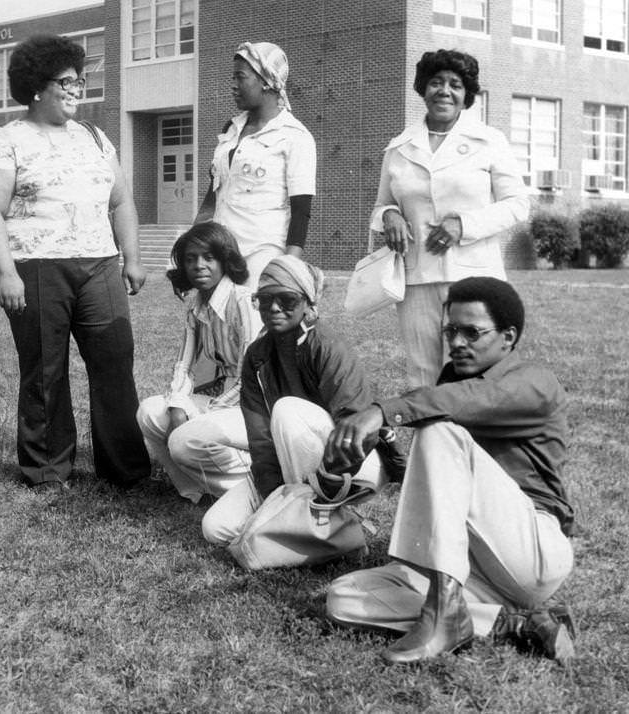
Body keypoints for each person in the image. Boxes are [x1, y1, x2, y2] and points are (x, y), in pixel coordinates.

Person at [325, 277, 576, 665]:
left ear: (508, 337)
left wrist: (381, 411)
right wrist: (382, 444)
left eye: (472, 332)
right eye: (451, 330)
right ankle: (511, 623)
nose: (457, 342)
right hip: (472, 564)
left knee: (438, 427)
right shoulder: (452, 381)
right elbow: (438, 484)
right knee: (343, 598)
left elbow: (466, 402)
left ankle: (444, 610)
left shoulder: (534, 382)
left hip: (532, 553)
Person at [0, 34, 150, 490]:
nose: (77, 89)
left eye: (80, 81)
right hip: (36, 267)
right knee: (45, 369)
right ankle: (47, 469)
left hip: (99, 266)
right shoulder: (4, 141)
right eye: (66, 81)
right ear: (36, 86)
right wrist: (6, 272)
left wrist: (132, 257)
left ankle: (125, 468)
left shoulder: (95, 137)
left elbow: (122, 201)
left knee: (114, 362)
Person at [201, 255, 392, 568]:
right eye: (264, 300)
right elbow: (261, 441)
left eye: (286, 299)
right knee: (216, 529)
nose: (274, 308)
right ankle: (323, 531)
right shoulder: (257, 356)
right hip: (288, 465)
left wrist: (323, 483)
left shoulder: (327, 346)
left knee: (287, 410)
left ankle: (328, 518)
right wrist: (274, 496)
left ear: (307, 301)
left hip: (350, 464)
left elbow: (355, 426)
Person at [371, 49, 529, 388]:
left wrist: (464, 225)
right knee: (422, 375)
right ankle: (428, 441)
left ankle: (473, 441)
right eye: (436, 83)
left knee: (471, 373)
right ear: (423, 89)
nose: (444, 91)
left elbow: (518, 204)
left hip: (473, 277)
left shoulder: (489, 141)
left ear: (466, 95)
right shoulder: (399, 147)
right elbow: (381, 204)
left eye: (455, 85)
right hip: (417, 279)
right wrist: (390, 216)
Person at [136, 222, 262, 503]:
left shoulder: (243, 301)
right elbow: (184, 365)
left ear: (225, 260)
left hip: (254, 407)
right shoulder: (196, 305)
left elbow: (252, 374)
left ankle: (252, 488)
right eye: (190, 259)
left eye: (209, 257)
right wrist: (179, 404)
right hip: (224, 401)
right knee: (149, 412)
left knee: (187, 437)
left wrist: (203, 413)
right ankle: (196, 490)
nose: (199, 266)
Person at [195, 41, 317, 290]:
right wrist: (195, 242)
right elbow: (213, 194)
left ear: (266, 81)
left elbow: (301, 212)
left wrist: (287, 271)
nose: (232, 85)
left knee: (255, 325)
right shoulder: (231, 130)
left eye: (240, 77)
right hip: (219, 256)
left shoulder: (294, 136)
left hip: (261, 258)